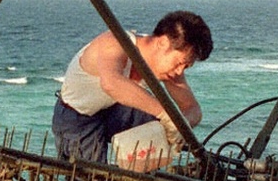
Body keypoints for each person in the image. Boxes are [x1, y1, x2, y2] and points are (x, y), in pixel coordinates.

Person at [52, 10, 213, 165]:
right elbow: (111, 83)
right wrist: (166, 115)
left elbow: (193, 109)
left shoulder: (170, 69)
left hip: (114, 111)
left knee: (161, 122)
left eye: (185, 67)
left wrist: (180, 125)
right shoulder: (115, 43)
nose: (179, 71)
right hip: (77, 115)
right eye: (179, 63)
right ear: (163, 42)